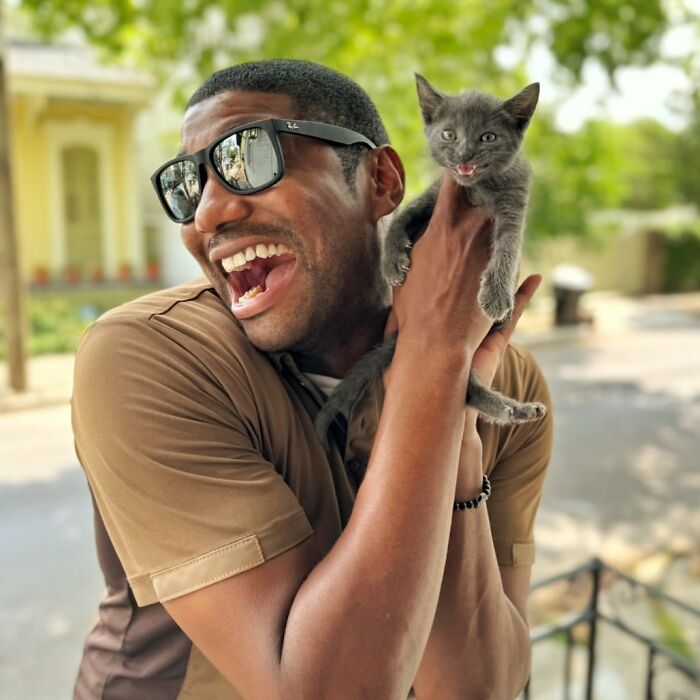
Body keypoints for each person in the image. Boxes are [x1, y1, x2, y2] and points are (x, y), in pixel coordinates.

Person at [72, 59, 553, 700]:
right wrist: (432, 361)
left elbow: (478, 688)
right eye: (187, 184)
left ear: (380, 180)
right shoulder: (149, 356)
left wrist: (452, 406)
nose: (208, 214)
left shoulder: (508, 381)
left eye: (249, 155)